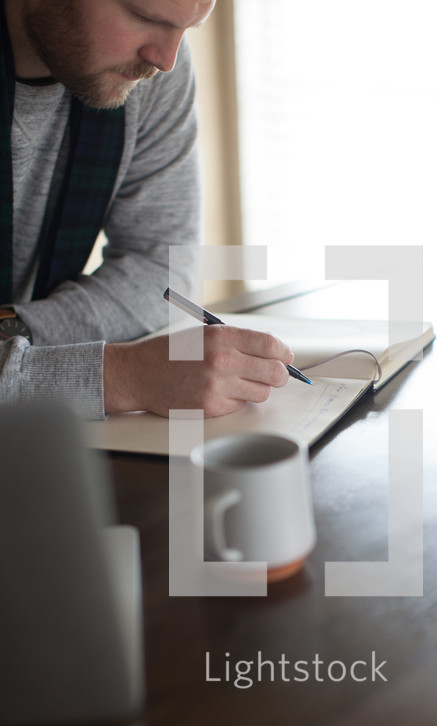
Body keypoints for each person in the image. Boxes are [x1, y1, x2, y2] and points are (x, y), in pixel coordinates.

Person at [0, 0, 293, 419]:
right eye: (145, 18)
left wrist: (16, 332)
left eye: (188, 28)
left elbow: (164, 270)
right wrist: (121, 375)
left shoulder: (146, 76)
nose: (166, 60)